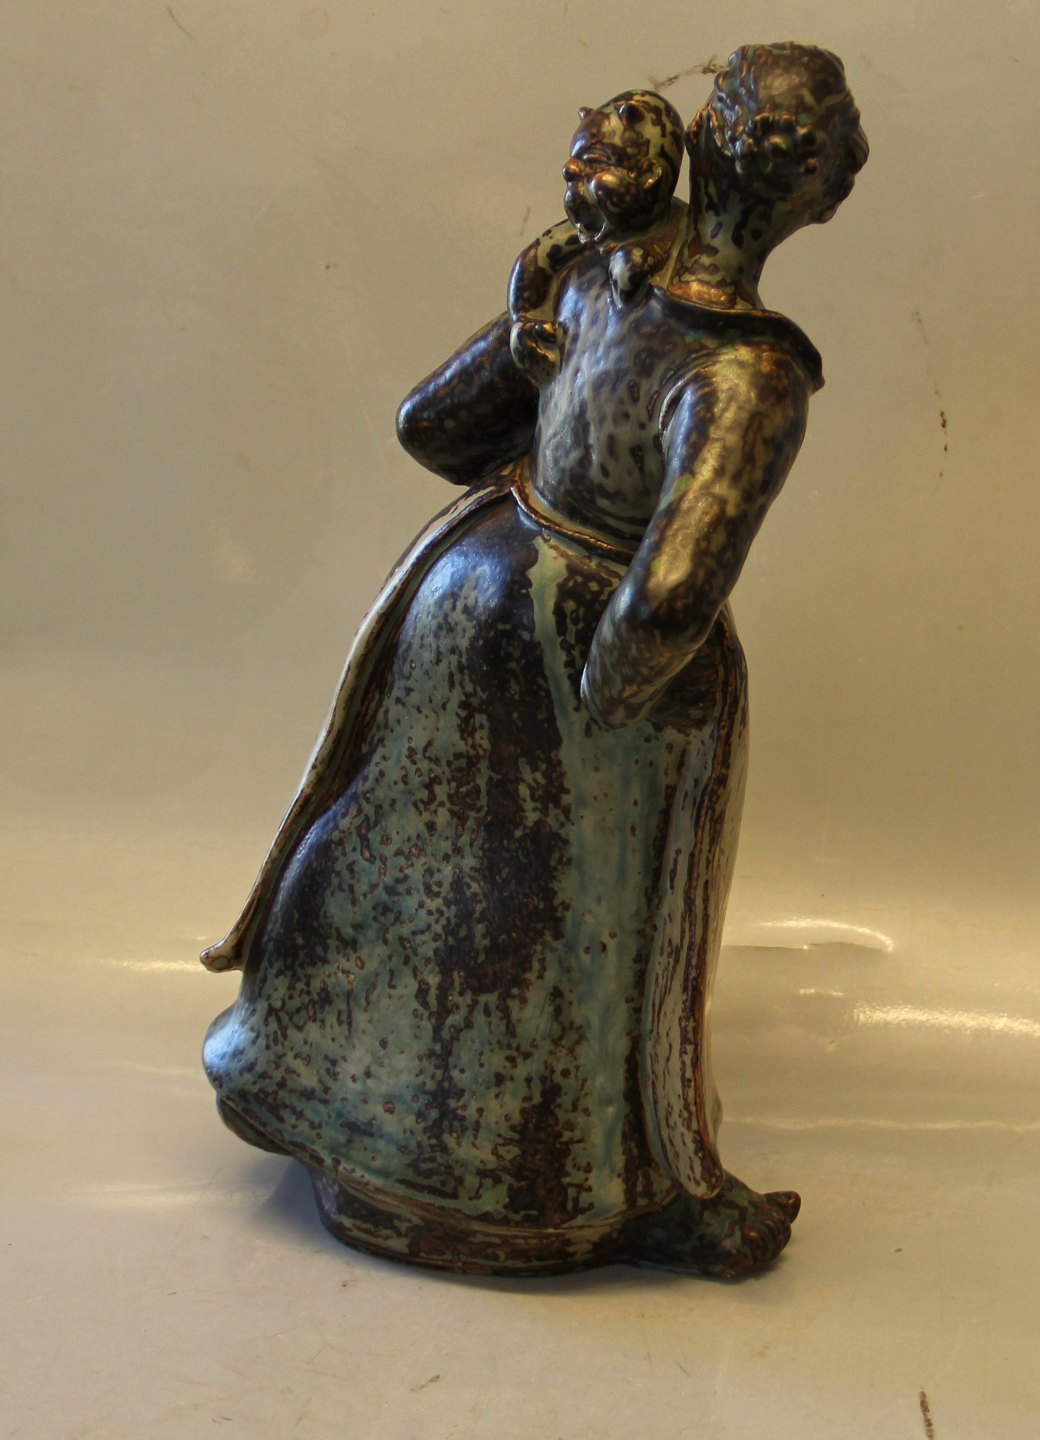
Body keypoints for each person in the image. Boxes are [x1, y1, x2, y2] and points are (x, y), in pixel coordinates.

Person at [202, 42, 867, 1277]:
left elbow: (429, 428)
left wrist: (534, 360)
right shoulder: (748, 370)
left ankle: (363, 1121)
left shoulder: (589, 271)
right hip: (574, 649)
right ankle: (525, 1179)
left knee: (408, 865)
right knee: (563, 925)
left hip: (466, 600)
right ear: (819, 198)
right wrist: (606, 717)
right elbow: (670, 593)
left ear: (702, 141)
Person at [508, 89, 685, 384]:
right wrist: (523, 318)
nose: (569, 171)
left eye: (596, 164)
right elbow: (534, 262)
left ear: (648, 175)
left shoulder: (680, 235)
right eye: (575, 167)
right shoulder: (576, 238)